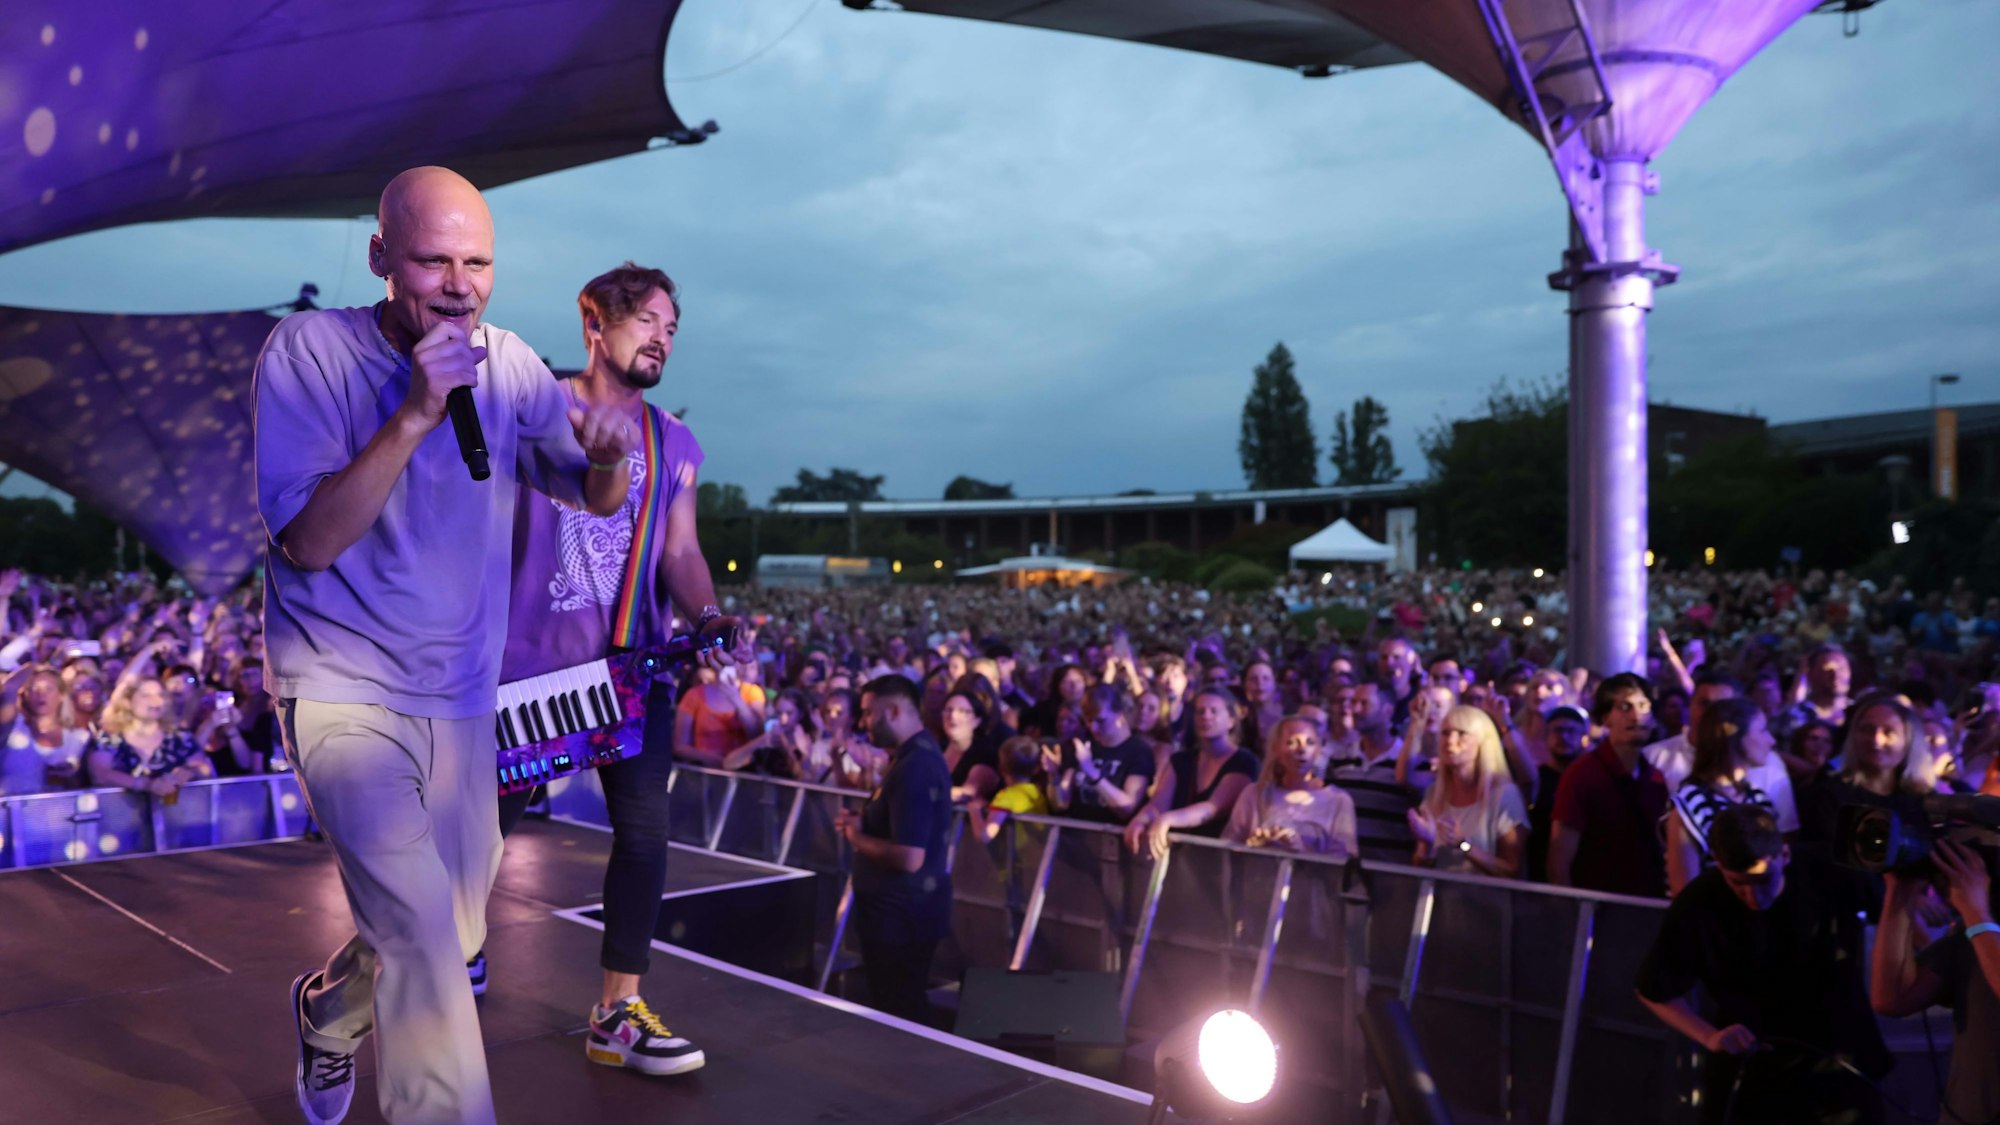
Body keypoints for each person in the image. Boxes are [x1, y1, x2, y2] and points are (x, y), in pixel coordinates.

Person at [255, 166, 634, 1125]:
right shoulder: (307, 352)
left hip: (463, 701)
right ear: (382, 257)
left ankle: (328, 1015)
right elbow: (308, 539)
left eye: (478, 262)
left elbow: (587, 493)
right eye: (434, 260)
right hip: (342, 687)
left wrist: (609, 456)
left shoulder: (507, 365)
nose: (460, 285)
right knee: (426, 939)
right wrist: (416, 411)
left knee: (447, 927)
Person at [491, 260, 749, 1079]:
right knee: (479, 839)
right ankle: (446, 951)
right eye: (647, 321)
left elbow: (681, 549)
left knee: (644, 835)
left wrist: (707, 614)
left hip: (628, 674)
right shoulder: (532, 409)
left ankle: (616, 1010)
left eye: (672, 328)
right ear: (593, 322)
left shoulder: (673, 442)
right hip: (525, 675)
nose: (662, 339)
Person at [1636, 805, 1888, 1124]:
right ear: (1718, 863)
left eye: (1763, 880)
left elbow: (1888, 905)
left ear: (1784, 854)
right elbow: (1653, 989)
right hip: (1753, 1070)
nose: (1753, 897)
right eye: (1738, 884)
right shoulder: (1699, 903)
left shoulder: (1827, 870)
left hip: (1840, 1060)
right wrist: (1709, 1036)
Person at [836, 675, 953, 1023]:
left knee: (900, 1012)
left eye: (868, 713)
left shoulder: (915, 766)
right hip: (902, 914)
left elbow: (910, 856)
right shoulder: (913, 756)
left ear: (894, 710)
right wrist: (866, 821)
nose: (861, 722)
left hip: (901, 918)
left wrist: (857, 838)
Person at [1870, 838, 2000, 1125]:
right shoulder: (1983, 922)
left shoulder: (1982, 921)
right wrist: (1900, 893)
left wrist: (1977, 914)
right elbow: (1893, 998)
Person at [1548, 673, 1670, 897]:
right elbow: (1559, 863)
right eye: (1625, 707)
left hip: (1645, 905)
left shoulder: (1655, 777)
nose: (1636, 716)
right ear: (1606, 718)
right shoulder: (1582, 775)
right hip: (1596, 909)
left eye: (1644, 706)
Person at [1644, 671, 1797, 833]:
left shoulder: (1769, 766)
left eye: (1722, 707)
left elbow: (1785, 833)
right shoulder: (1653, 758)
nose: (1711, 714)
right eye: (1704, 703)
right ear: (1690, 705)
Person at [1123, 686, 1257, 859]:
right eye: (1200, 711)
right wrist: (1140, 819)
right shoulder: (1181, 760)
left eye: (1213, 711)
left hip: (1218, 859)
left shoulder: (1244, 761)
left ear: (1231, 720)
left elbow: (1213, 808)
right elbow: (1158, 805)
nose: (1205, 716)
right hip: (1177, 856)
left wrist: (1167, 819)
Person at [1665, 699, 1778, 896]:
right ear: (1733, 735)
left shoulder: (1760, 801)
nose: (1772, 740)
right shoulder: (1691, 803)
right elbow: (1684, 892)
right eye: (1762, 730)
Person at [1407, 705, 1527, 878]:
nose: (1450, 740)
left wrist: (1464, 845)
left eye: (1462, 733)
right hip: (1439, 900)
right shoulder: (1434, 793)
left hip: (1485, 901)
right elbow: (1420, 867)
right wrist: (1426, 845)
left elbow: (1511, 869)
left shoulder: (1504, 795)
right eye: (1446, 733)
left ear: (1482, 742)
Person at [1222, 717, 1357, 859]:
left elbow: (1343, 862)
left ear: (1318, 750)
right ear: (1276, 749)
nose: (1302, 749)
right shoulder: (1255, 794)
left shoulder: (1338, 800)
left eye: (1310, 742)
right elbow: (1227, 848)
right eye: (1291, 742)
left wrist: (1302, 851)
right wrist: (1256, 847)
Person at [1326, 681, 1418, 863]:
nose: (1355, 709)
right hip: (1343, 869)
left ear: (1388, 711)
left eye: (1364, 703)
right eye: (1354, 703)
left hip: (1391, 871)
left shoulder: (1409, 763)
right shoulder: (1339, 759)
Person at [85, 676, 220, 799]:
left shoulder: (178, 736)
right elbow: (100, 774)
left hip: (172, 814)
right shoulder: (110, 736)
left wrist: (190, 771)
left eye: (160, 695)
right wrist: (146, 784)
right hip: (122, 817)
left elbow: (204, 768)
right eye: (146, 695)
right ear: (128, 702)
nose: (155, 701)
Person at [1047, 684, 1154, 825]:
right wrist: (1053, 775)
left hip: (1113, 839)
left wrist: (1092, 772)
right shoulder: (1085, 746)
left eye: (1100, 721)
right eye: (1088, 721)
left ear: (1120, 715)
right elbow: (1061, 803)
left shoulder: (1138, 751)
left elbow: (1127, 808)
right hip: (1078, 837)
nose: (1093, 727)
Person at [1525, 703, 1590, 882]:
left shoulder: (1591, 780)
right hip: (1537, 876)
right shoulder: (1534, 779)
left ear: (1584, 737)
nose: (1564, 737)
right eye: (1558, 731)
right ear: (1545, 737)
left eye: (1571, 731)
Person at [1, 665, 88, 794]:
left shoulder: (78, 737)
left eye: (48, 688)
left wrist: (70, 777)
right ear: (25, 695)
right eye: (34, 688)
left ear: (61, 695)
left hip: (55, 811)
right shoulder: (12, 728)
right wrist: (36, 664)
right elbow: (9, 688)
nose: (41, 694)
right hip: (11, 811)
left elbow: (86, 787)